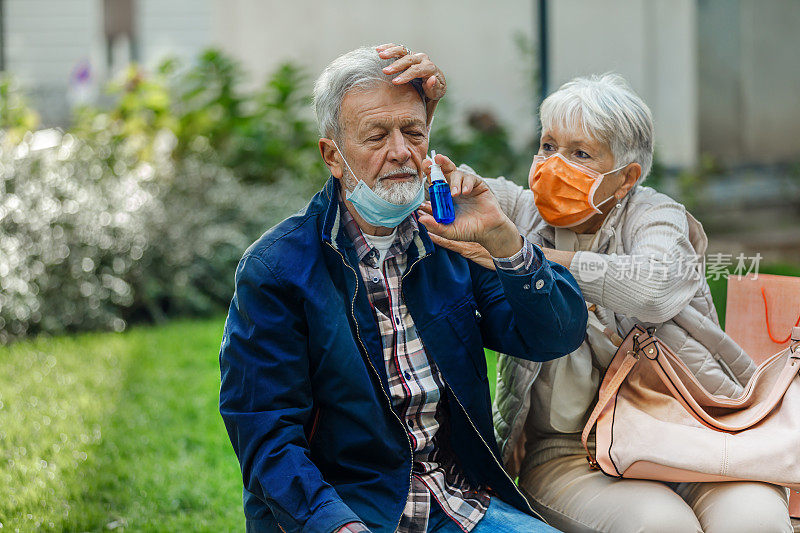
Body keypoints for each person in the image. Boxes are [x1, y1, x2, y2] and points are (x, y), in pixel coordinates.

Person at [218, 43, 588, 533]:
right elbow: (267, 432)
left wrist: (504, 241)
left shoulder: (449, 238)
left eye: (412, 132)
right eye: (376, 135)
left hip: (463, 502)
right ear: (332, 155)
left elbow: (553, 336)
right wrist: (336, 525)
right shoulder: (278, 268)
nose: (400, 151)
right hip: (353, 510)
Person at [423, 72, 793, 532]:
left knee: (755, 523)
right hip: (569, 454)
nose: (554, 164)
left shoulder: (657, 216)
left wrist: (528, 257)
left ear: (626, 178)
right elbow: (425, 177)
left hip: (701, 429)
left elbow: (653, 289)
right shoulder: (514, 211)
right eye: (547, 146)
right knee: (662, 527)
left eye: (580, 153)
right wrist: (423, 110)